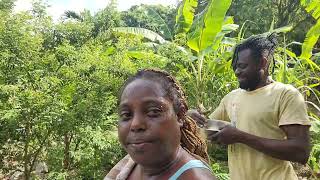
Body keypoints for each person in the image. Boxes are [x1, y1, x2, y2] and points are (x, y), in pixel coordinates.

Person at [188, 34, 311, 180]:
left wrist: (241, 137)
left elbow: (300, 152)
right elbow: (208, 129)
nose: (236, 72)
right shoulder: (231, 97)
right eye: (235, 67)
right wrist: (191, 117)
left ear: (262, 63)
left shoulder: (285, 95)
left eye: (242, 66)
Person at [105, 69, 216, 180]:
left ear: (180, 116)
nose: (135, 124)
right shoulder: (127, 166)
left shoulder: (195, 177)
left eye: (153, 112)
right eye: (126, 115)